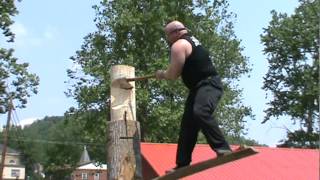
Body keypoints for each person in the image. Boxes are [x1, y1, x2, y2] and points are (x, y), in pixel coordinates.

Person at [155, 20, 232, 171]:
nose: (167, 39)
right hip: (199, 87)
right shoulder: (192, 40)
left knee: (200, 111)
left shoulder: (179, 45)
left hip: (208, 84)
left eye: (167, 35)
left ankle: (223, 148)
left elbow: (173, 74)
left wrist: (162, 74)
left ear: (176, 33)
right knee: (188, 125)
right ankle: (182, 164)